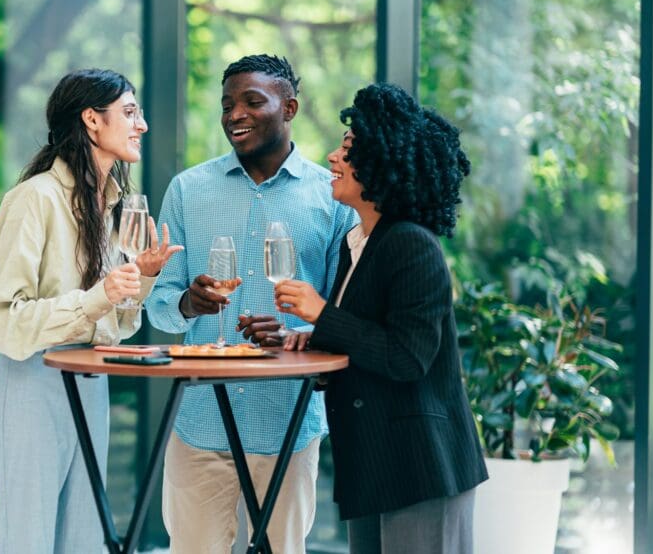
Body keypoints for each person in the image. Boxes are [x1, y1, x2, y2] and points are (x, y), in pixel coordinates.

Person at [145, 54, 358, 553]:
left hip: (289, 418)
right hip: (199, 421)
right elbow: (157, 306)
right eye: (226, 105)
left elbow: (341, 313)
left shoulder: (331, 197)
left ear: (290, 108)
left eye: (251, 101)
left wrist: (298, 330)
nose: (234, 114)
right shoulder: (187, 190)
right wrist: (189, 305)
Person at [275, 82, 488, 553]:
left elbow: (408, 357)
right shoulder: (360, 246)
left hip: (420, 466)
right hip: (375, 465)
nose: (332, 157)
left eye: (347, 150)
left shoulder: (411, 243)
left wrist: (323, 314)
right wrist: (314, 337)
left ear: (381, 163)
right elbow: (369, 339)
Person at [0, 68, 181, 553]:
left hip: (92, 384)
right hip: (34, 383)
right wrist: (101, 295)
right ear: (92, 120)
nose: (143, 125)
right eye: (130, 112)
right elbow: (4, 321)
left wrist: (142, 278)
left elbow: (118, 324)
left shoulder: (114, 207)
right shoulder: (34, 199)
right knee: (28, 541)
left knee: (84, 541)